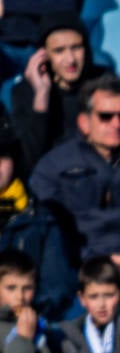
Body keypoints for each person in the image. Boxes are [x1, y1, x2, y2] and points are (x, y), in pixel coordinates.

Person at [29, 73, 120, 291]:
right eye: (106, 116)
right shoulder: (53, 166)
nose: (116, 124)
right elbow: (50, 230)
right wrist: (98, 263)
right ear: (84, 122)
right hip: (76, 266)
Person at [11, 13, 120, 177]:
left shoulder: (104, 80)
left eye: (76, 47)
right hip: (56, 184)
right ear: (43, 55)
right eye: (59, 51)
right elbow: (28, 162)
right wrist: (41, 97)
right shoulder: (27, 92)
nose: (70, 59)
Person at [0, 119, 71, 322]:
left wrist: (23, 315)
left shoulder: (41, 219)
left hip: (28, 326)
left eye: (2, 156)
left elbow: (57, 289)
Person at [0, 250, 46, 353]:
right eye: (11, 288)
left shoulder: (44, 325)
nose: (20, 296)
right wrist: (23, 339)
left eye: (27, 288)